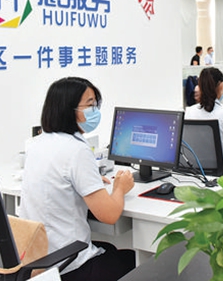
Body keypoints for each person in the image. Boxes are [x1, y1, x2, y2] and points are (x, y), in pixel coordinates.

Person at [19, 77, 136, 281]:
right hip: (68, 267)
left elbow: (58, 177)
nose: (95, 111)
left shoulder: (37, 143)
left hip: (38, 263)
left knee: (109, 249)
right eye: (89, 105)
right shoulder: (76, 150)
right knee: (136, 259)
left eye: (95, 104)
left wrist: (88, 179)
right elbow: (109, 215)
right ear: (67, 109)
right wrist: (120, 188)